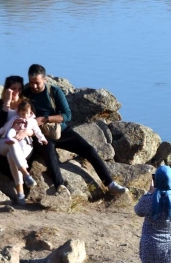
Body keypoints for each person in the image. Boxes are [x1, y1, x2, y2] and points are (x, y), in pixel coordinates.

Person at [22, 64, 126, 196]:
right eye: (31, 83)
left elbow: (67, 115)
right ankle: (60, 186)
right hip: (41, 134)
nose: (34, 86)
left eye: (37, 83)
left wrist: (45, 119)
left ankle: (110, 184)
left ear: (45, 79)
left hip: (62, 131)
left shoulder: (54, 92)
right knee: (50, 154)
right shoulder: (26, 93)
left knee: (89, 150)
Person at [0, 99, 46, 205]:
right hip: (6, 141)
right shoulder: (14, 118)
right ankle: (26, 175)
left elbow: (37, 131)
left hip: (24, 145)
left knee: (11, 154)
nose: (24, 116)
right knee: (12, 142)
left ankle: (20, 193)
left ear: (31, 112)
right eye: (22, 113)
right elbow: (5, 127)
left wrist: (42, 139)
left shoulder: (32, 121)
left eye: (26, 113)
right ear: (19, 112)